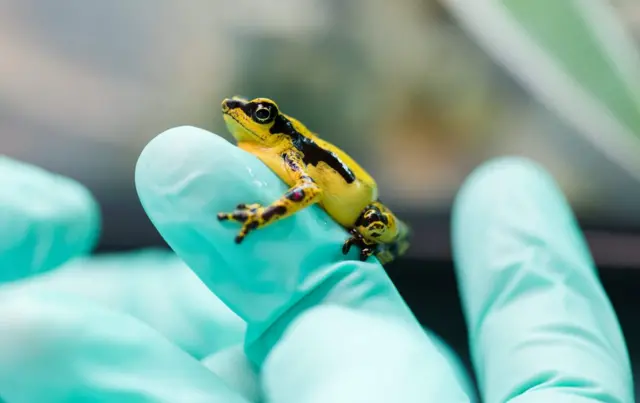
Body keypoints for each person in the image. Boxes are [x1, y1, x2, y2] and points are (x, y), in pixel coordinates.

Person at [0, 126, 632, 402]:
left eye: (261, 116)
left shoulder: (292, 157)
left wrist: (262, 215)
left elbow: (304, 191)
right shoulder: (269, 157)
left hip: (367, 216)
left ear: (274, 128)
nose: (244, 118)